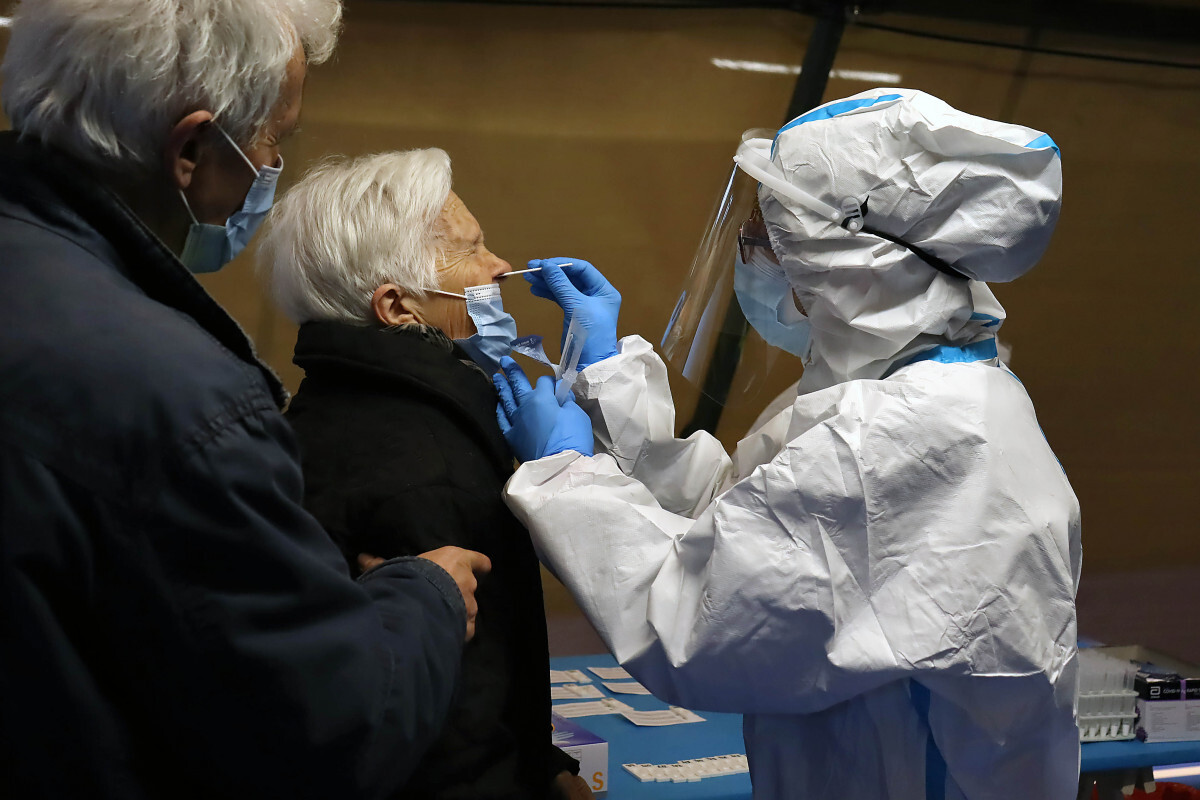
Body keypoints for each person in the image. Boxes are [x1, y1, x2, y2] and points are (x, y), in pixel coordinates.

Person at [494, 88, 1081, 799]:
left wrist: (564, 476)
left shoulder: (909, 433)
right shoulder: (903, 386)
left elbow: (693, 616)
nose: (750, 253)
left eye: (767, 235)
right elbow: (740, 511)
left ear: (848, 257)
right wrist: (608, 375)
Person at [0, 3, 490, 798]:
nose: (272, 168)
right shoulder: (181, 398)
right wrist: (423, 598)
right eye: (272, 140)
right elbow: (322, 732)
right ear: (192, 149)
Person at [257, 149, 593, 800]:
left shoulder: (331, 408)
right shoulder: (427, 464)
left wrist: (544, 761)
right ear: (397, 306)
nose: (501, 266)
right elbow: (459, 717)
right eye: (473, 250)